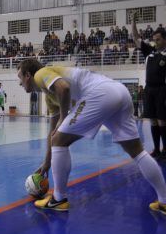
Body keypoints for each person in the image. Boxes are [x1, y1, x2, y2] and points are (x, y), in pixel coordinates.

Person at [17, 58, 166, 214]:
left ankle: (59, 199)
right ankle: (164, 201)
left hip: (100, 93)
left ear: (28, 75)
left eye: (20, 78)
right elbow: (52, 132)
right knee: (137, 151)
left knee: (60, 141)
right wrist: (47, 162)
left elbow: (64, 88)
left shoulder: (41, 74)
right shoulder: (49, 96)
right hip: (119, 92)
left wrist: (63, 118)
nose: (20, 83)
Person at [131, 12, 166, 159]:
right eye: (154, 40)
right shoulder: (150, 52)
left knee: (162, 120)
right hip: (149, 89)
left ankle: (165, 150)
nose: (155, 42)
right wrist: (133, 21)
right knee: (152, 119)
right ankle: (156, 149)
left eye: (158, 40)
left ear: (165, 40)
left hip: (162, 89)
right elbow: (136, 38)